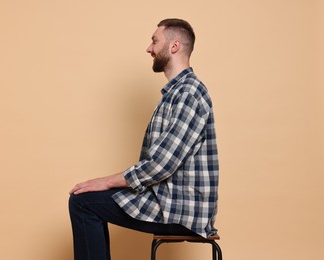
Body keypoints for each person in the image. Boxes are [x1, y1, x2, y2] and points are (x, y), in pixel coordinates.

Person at [68, 18, 219, 260]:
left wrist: (107, 182)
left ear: (174, 46)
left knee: (83, 203)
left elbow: (161, 165)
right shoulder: (175, 93)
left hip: (179, 211)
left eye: (154, 41)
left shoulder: (189, 93)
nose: (149, 48)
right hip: (167, 201)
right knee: (84, 199)